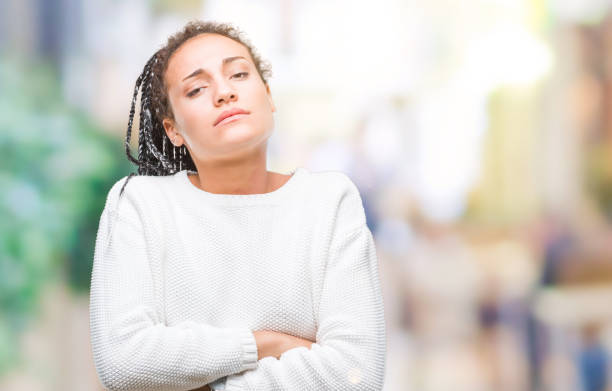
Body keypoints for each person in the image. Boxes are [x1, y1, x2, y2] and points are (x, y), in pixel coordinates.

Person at [88, 20, 386, 390]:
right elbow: (124, 362)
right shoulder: (139, 205)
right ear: (173, 130)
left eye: (239, 74)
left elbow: (357, 377)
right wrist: (263, 344)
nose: (224, 92)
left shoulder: (329, 201)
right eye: (197, 88)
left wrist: (201, 382)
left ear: (269, 95)